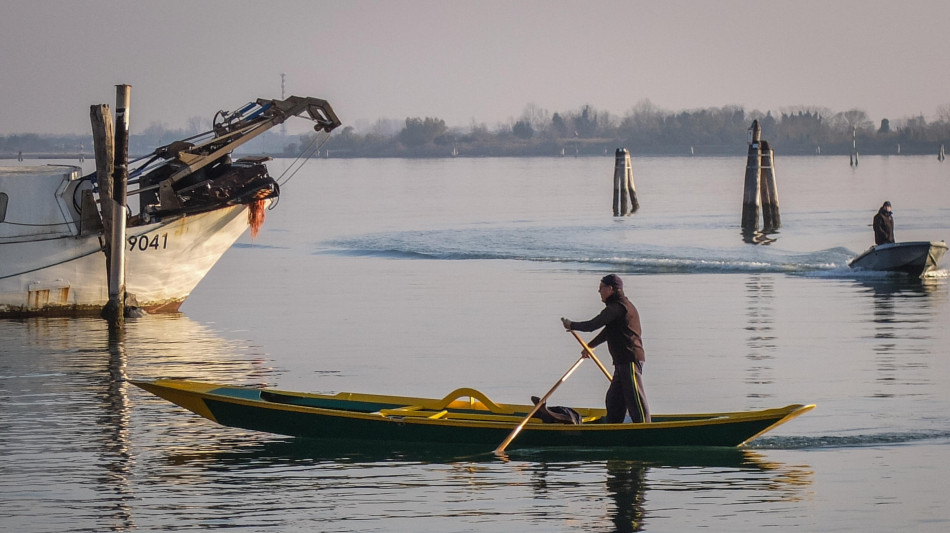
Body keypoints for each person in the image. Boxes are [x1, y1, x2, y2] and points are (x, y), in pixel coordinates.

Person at [561, 274, 651, 423]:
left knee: (635, 400)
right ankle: (613, 427)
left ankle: (645, 428)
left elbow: (592, 325)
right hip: (621, 362)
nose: (599, 291)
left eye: (601, 288)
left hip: (629, 359)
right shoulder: (616, 308)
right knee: (614, 400)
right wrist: (590, 346)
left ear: (610, 289)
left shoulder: (618, 307)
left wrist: (572, 325)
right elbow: (609, 332)